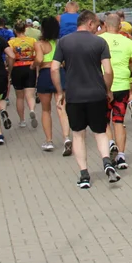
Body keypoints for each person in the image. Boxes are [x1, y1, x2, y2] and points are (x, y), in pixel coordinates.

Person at [51, 10, 117, 186]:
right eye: (96, 24)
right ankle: (107, 163)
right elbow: (108, 71)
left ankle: (84, 175)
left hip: (74, 96)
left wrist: (59, 91)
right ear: (89, 23)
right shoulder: (100, 42)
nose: (98, 27)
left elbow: (54, 68)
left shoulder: (64, 42)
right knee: (101, 132)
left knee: (78, 135)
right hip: (96, 94)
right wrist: (107, 89)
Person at [100, 13, 132, 171]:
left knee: (105, 121)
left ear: (104, 24)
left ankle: (110, 143)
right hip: (123, 85)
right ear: (120, 26)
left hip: (104, 86)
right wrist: (126, 69)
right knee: (119, 120)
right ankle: (122, 156)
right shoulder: (127, 41)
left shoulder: (100, 40)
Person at [35, 17, 72, 155]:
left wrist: (33, 66)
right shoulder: (60, 43)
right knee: (62, 108)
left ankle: (49, 141)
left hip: (45, 74)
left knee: (46, 110)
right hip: (60, 73)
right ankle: (66, 137)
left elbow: (39, 59)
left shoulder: (39, 44)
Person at [9, 21, 39, 130]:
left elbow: (10, 57)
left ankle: (22, 120)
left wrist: (9, 70)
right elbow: (36, 55)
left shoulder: (11, 42)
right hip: (30, 67)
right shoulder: (32, 41)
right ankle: (32, 109)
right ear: (25, 29)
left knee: (19, 97)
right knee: (30, 95)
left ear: (15, 30)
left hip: (17, 68)